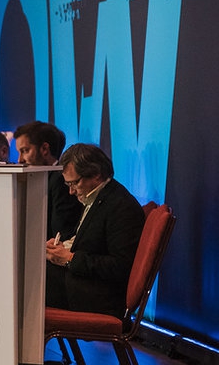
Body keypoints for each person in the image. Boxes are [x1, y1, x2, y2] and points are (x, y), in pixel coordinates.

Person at [45, 143, 145, 318]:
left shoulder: (120, 206)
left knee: (26, 279)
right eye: (68, 184)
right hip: (85, 284)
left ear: (96, 174)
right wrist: (63, 248)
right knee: (30, 269)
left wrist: (69, 259)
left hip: (101, 298)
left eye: (75, 183)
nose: (71, 191)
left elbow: (120, 266)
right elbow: (91, 243)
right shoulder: (97, 197)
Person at [14, 120, 83, 239]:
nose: (20, 160)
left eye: (25, 151)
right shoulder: (43, 180)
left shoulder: (60, 180)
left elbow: (61, 232)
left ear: (44, 149)